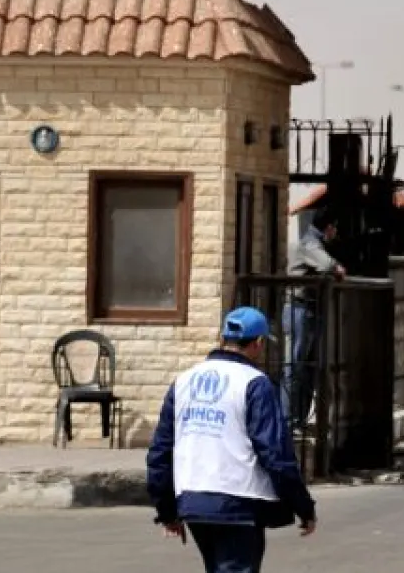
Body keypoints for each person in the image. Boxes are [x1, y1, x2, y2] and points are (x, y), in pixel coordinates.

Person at [146, 307, 319, 573]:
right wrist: (303, 507)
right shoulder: (254, 383)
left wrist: (167, 510)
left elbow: (160, 452)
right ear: (259, 343)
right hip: (239, 503)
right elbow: (275, 454)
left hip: (193, 499)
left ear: (222, 338)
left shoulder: (184, 381)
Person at [282, 204, 343, 431]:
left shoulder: (316, 242)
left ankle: (298, 419)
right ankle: (287, 420)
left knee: (308, 367)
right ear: (328, 227)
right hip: (298, 308)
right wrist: (338, 269)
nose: (336, 232)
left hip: (310, 309)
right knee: (293, 366)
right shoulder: (310, 242)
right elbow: (327, 264)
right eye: (335, 228)